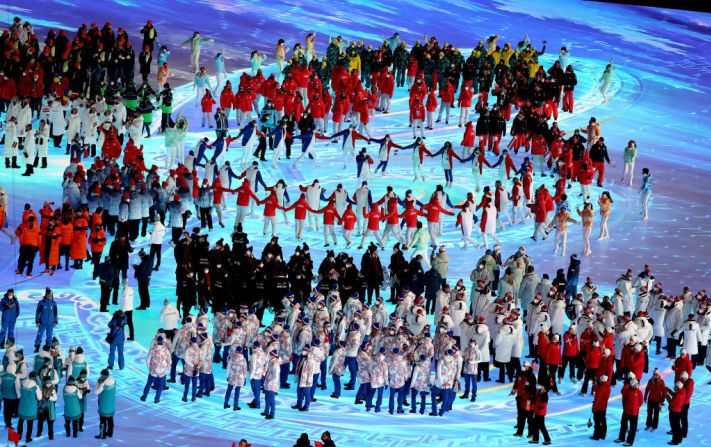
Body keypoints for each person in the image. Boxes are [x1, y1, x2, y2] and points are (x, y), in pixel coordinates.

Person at [142, 336, 171, 404]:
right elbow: (169, 360)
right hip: (162, 372)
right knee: (160, 386)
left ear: (157, 341)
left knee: (149, 384)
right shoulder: (166, 350)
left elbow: (148, 360)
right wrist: (165, 368)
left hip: (153, 371)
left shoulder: (153, 350)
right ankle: (157, 399)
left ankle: (144, 396)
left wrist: (150, 368)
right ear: (163, 342)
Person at [616, 378, 644, 446]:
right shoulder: (626, 391)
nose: (636, 385)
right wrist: (625, 408)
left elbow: (641, 401)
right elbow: (623, 400)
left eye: (637, 384)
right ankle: (621, 438)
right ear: (631, 385)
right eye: (635, 384)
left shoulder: (639, 392)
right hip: (626, 411)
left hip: (634, 413)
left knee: (633, 428)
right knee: (623, 425)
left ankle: (629, 441)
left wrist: (636, 408)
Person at [17, 371, 41, 443]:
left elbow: (19, 395)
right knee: (29, 423)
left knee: (21, 421)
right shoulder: (36, 387)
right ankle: (28, 438)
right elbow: (39, 398)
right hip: (31, 408)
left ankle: (19, 435)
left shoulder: (22, 384)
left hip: (22, 407)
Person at [95, 369, 116, 439]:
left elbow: (96, 392)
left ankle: (102, 435)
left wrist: (98, 383)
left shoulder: (103, 385)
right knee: (110, 419)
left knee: (102, 421)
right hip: (111, 405)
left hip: (104, 405)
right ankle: (110, 433)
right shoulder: (113, 381)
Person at [34, 288, 57, 352]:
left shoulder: (54, 303)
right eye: (48, 295)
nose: (50, 296)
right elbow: (37, 312)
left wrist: (55, 321)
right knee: (39, 335)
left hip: (50, 324)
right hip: (42, 323)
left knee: (49, 336)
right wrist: (37, 321)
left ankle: (48, 347)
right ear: (46, 295)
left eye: (51, 295)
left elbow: (55, 313)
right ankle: (37, 347)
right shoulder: (41, 303)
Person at [644, 368, 665, 432]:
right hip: (650, 400)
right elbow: (647, 389)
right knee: (649, 413)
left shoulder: (661, 382)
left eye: (656, 374)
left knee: (656, 415)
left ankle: (654, 427)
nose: (655, 375)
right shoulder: (650, 381)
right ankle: (648, 425)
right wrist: (645, 397)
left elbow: (664, 392)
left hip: (657, 401)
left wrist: (661, 401)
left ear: (658, 375)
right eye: (654, 374)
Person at [591, 374, 610, 441]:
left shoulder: (601, 388)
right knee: (603, 421)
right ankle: (602, 435)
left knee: (597, 422)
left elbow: (597, 398)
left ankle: (596, 436)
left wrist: (594, 407)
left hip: (598, 407)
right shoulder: (607, 387)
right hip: (604, 407)